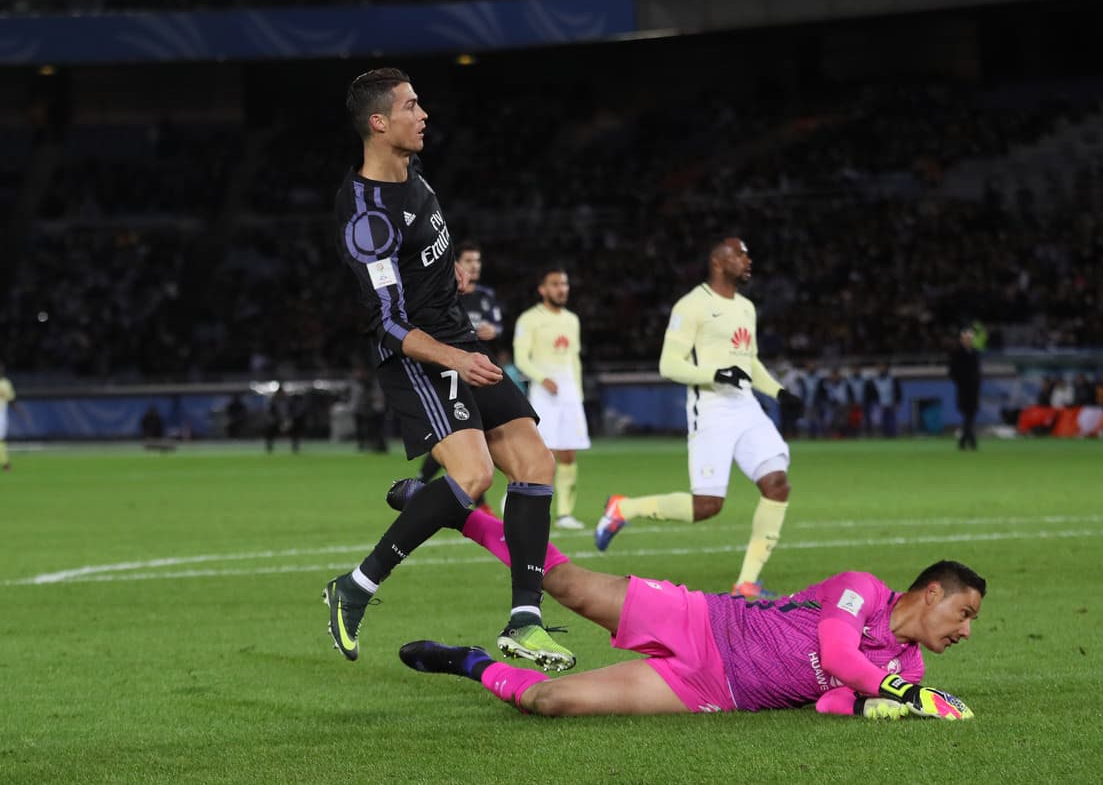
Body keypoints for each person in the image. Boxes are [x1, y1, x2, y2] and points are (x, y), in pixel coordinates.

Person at [325, 67, 572, 669]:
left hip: (458, 337)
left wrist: (448, 279)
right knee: (474, 474)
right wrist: (456, 354)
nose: (424, 113)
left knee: (535, 463)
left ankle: (525, 621)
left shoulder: (414, 176)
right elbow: (384, 321)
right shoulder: (366, 216)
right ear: (379, 123)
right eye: (411, 106)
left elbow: (423, 257)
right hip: (418, 356)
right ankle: (356, 586)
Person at [399, 508, 983, 720]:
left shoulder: (910, 669)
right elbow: (836, 655)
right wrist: (895, 692)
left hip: (711, 687)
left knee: (553, 702)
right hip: (705, 621)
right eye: (963, 613)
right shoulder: (862, 591)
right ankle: (457, 513)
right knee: (567, 584)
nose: (965, 630)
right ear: (931, 592)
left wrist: (889, 706)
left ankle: (470, 662)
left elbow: (831, 697)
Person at [595, 238, 803, 598]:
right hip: (711, 409)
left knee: (777, 483)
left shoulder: (746, 308)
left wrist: (779, 392)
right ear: (718, 262)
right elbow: (669, 364)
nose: (747, 260)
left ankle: (746, 583)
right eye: (740, 254)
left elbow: (749, 361)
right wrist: (716, 374)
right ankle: (624, 508)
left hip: (746, 406)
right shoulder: (691, 305)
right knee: (708, 505)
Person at [416, 242, 504, 517]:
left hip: (479, 366)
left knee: (467, 433)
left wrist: (494, 330)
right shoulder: (447, 293)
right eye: (469, 260)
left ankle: (421, 486)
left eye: (478, 260)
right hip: (454, 369)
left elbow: (498, 325)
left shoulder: (487, 296)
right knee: (462, 431)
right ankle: (477, 502)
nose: (475, 265)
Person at [513, 266, 590, 530]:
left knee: (568, 454)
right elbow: (521, 359)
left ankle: (565, 514)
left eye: (564, 284)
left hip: (568, 395)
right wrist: (541, 377)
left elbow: (574, 360)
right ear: (542, 289)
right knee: (539, 455)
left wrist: (577, 394)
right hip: (543, 395)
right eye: (555, 284)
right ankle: (517, 498)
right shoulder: (529, 320)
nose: (562, 289)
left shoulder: (572, 320)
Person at [948, 327, 981, 451]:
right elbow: (952, 373)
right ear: (961, 340)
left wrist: (976, 383)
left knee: (970, 416)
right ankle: (969, 441)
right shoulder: (957, 354)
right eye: (966, 338)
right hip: (963, 390)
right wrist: (961, 382)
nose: (968, 341)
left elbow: (977, 372)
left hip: (974, 391)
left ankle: (965, 440)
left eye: (970, 339)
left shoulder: (975, 353)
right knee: (968, 416)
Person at [0, 363, 15, 472]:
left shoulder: (6, 383)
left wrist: (22, 413)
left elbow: (11, 400)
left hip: (1, 414)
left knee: (1, 439)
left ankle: (5, 463)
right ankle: (5, 464)